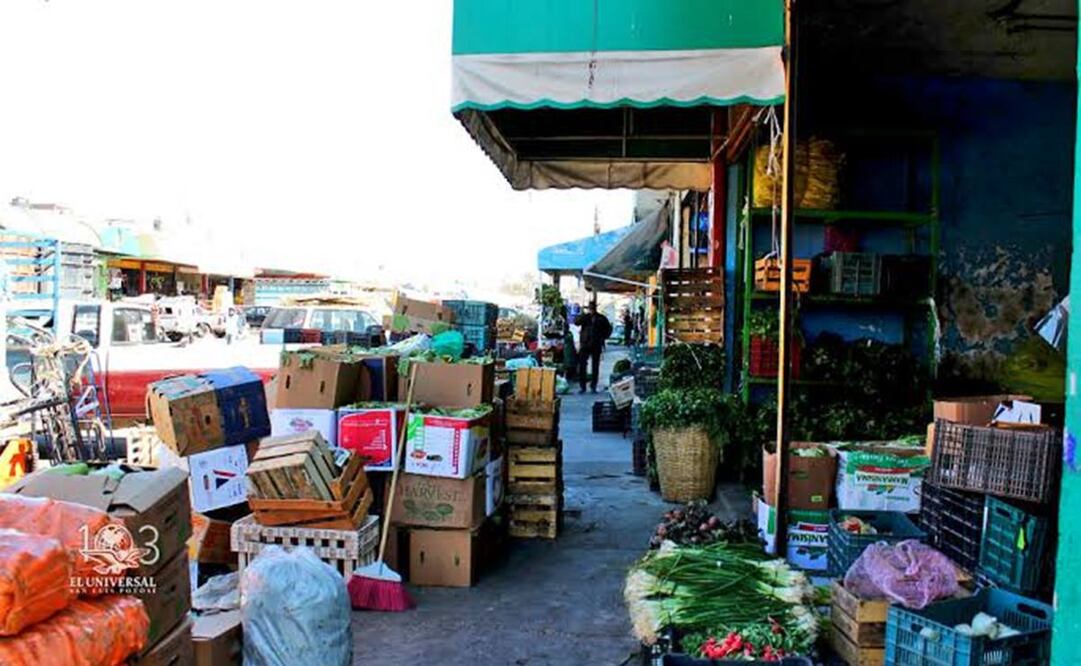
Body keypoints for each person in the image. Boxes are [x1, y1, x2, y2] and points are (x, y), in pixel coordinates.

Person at [574, 303, 612, 393]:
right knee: (582, 366)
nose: (591, 310)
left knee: (595, 366)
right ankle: (582, 386)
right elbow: (576, 322)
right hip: (585, 344)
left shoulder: (601, 318)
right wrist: (582, 314)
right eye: (590, 309)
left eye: (592, 309)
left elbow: (609, 329)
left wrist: (603, 337)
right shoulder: (585, 317)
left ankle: (593, 386)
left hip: (596, 344)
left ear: (595, 309)